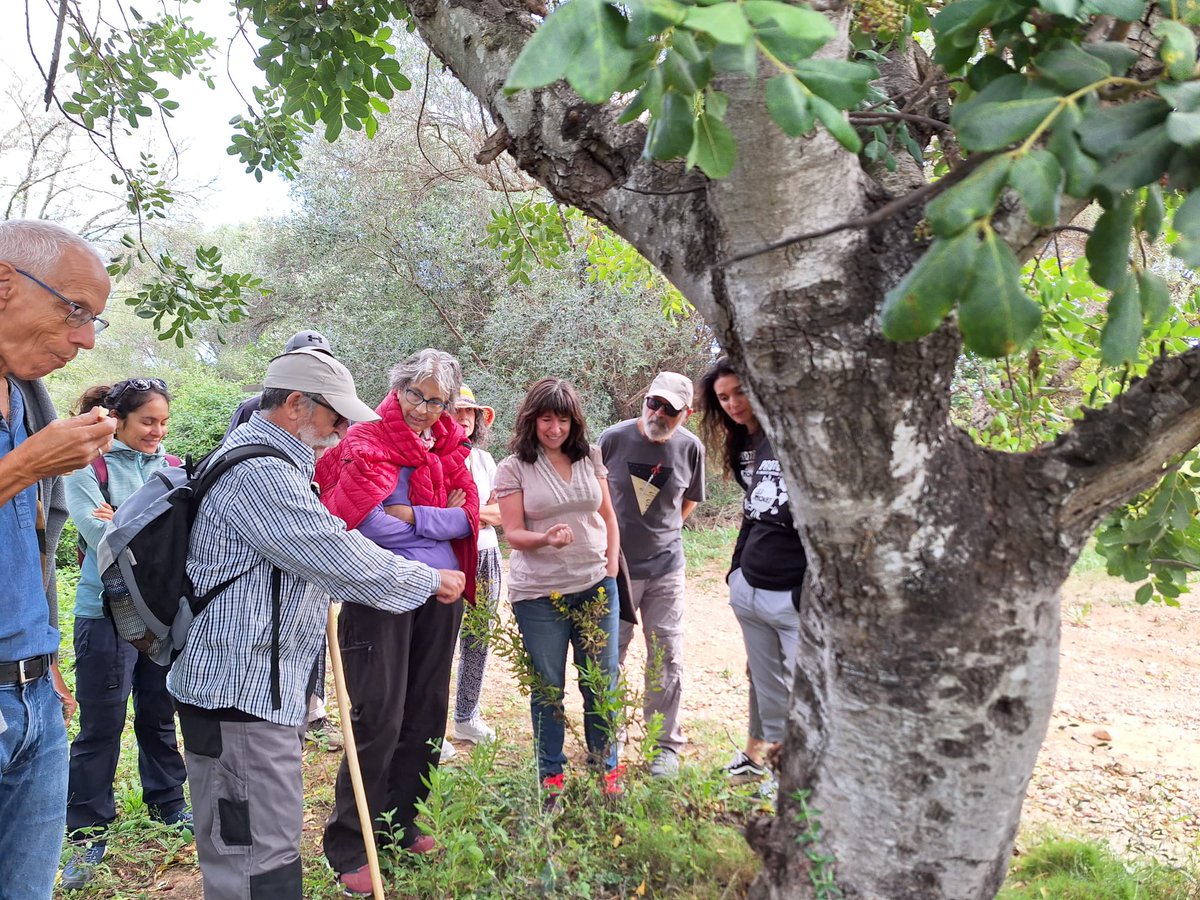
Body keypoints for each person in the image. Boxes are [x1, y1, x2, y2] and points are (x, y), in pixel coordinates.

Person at [166, 348, 466, 900]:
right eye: (334, 415)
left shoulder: (278, 465)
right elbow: (333, 550)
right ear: (297, 405)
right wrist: (428, 580)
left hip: (256, 691)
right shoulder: (260, 474)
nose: (340, 428)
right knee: (254, 853)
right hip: (239, 695)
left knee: (264, 843)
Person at [316, 349, 479, 897]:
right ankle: (350, 843)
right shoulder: (365, 440)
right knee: (377, 715)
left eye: (438, 400)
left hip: (443, 597)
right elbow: (365, 523)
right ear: (398, 388)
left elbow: (468, 518)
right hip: (379, 591)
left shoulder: (452, 445)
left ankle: (400, 824)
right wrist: (433, 534)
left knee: (426, 710)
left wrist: (416, 515)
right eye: (417, 395)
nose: (426, 409)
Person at [0, 219, 116, 900]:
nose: (85, 340)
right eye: (74, 310)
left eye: (94, 320)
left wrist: (46, 663)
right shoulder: (37, 440)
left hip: (33, 697)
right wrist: (23, 465)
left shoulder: (32, 405)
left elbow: (37, 547)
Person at [60, 378, 190, 890]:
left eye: (163, 422)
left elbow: (184, 538)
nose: (157, 432)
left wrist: (125, 522)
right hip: (104, 614)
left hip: (160, 616)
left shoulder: (174, 469)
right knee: (100, 726)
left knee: (160, 716)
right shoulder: (86, 465)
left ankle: (169, 805)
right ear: (118, 418)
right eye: (147, 422)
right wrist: (144, 530)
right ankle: (88, 830)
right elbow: (100, 537)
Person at [494, 377, 622, 812]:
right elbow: (512, 533)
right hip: (540, 596)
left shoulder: (592, 457)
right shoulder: (513, 467)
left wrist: (610, 569)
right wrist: (545, 538)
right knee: (549, 689)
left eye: (562, 419)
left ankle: (609, 773)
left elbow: (608, 516)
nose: (554, 428)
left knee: (601, 683)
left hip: (595, 587)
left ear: (574, 421)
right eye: (546, 418)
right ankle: (551, 779)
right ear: (532, 420)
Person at [226, 329, 341, 749]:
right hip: (274, 537)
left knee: (309, 621)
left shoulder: (324, 421)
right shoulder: (254, 414)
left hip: (308, 520)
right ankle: (304, 705)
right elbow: (252, 478)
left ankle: (313, 702)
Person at [698, 357, 805, 786]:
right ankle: (774, 772)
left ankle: (801, 780)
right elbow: (752, 513)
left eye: (739, 392)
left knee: (804, 691)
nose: (733, 404)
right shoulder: (744, 443)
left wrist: (805, 594)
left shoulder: (792, 437)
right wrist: (735, 572)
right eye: (723, 397)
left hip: (793, 595)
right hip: (751, 588)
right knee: (766, 686)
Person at [598, 371, 705, 778]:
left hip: (666, 570)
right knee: (610, 657)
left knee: (666, 656)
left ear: (686, 413)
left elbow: (690, 500)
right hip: (616, 569)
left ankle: (663, 746)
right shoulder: (614, 439)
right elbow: (595, 497)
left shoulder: (691, 448)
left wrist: (663, 535)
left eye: (670, 410)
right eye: (653, 403)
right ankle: (610, 735)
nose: (658, 413)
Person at [446, 383, 502, 751]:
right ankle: (430, 728)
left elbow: (502, 514)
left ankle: (467, 717)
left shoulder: (484, 461)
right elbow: (434, 510)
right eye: (458, 411)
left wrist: (465, 513)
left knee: (479, 638)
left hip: (487, 555)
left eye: (471, 412)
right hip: (447, 557)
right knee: (439, 643)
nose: (465, 418)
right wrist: (477, 516)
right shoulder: (434, 455)